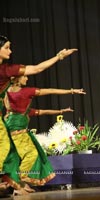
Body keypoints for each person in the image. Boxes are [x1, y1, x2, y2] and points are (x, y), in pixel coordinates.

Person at [0, 35, 77, 194]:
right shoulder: (8, 73)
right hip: (12, 127)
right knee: (7, 149)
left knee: (10, 152)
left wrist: (58, 57)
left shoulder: (7, 70)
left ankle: (15, 184)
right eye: (6, 47)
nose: (10, 50)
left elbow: (37, 69)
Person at [2, 75, 85, 194]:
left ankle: (20, 185)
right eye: (24, 76)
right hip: (18, 134)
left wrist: (61, 111)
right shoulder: (25, 93)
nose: (27, 79)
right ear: (17, 79)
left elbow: (42, 111)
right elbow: (50, 90)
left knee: (16, 159)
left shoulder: (11, 100)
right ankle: (20, 181)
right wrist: (71, 91)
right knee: (32, 154)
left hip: (8, 133)